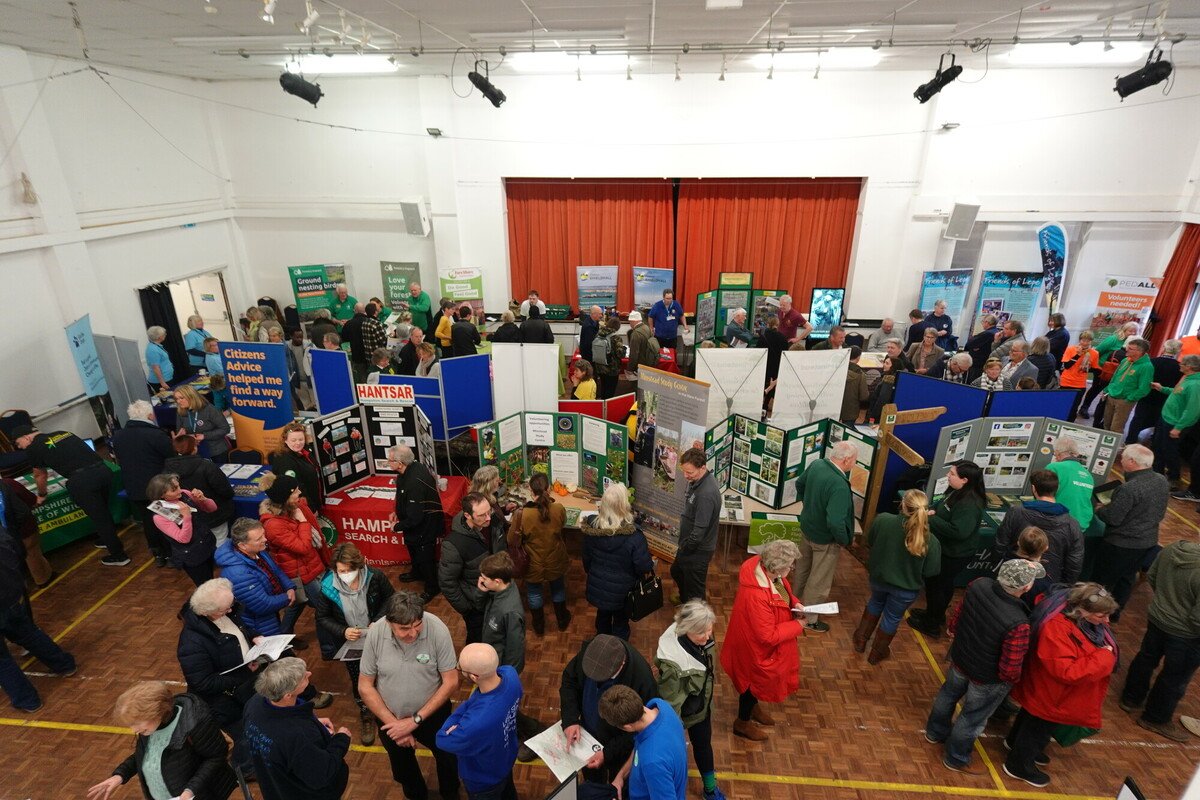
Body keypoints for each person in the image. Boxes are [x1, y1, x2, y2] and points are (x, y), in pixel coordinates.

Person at [924, 559, 1039, 774]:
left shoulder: (978, 584)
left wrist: (954, 631)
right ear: (1026, 587)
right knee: (972, 718)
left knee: (947, 695)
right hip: (986, 678)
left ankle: (934, 733)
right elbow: (1010, 668)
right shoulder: (1019, 622)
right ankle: (956, 758)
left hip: (961, 658)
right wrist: (1009, 683)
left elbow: (958, 614)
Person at [1004, 583, 1118, 788]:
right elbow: (1067, 671)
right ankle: (1018, 765)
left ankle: (1013, 743)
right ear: (1081, 611)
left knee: (1030, 720)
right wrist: (1105, 656)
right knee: (1037, 729)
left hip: (1046, 692)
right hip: (1052, 695)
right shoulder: (1056, 628)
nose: (1106, 622)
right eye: (1102, 616)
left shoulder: (1073, 621)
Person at [359, 592, 461, 800]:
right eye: (404, 628)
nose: (413, 633)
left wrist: (415, 721)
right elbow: (365, 686)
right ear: (389, 623)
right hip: (391, 720)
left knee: (448, 758)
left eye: (417, 624)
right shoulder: (376, 633)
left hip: (433, 716)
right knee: (403, 768)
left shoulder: (437, 629)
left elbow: (451, 681)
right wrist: (396, 725)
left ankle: (450, 794)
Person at [86, 681, 237, 800]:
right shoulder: (149, 727)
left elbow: (216, 757)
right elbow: (148, 755)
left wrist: (190, 790)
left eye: (137, 724)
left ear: (158, 712)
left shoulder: (195, 723)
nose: (134, 730)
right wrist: (120, 775)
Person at [720, 539, 805, 741]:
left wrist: (796, 604)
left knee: (755, 684)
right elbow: (767, 636)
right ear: (777, 567)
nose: (792, 568)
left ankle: (752, 709)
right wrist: (798, 626)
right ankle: (742, 722)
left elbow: (784, 594)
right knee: (752, 683)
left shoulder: (771, 575)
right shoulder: (757, 595)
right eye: (790, 564)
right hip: (755, 648)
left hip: (756, 642)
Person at [314, 542, 395, 745]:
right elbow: (322, 617)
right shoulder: (327, 587)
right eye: (341, 571)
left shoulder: (375, 576)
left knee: (386, 670)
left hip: (379, 636)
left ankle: (389, 704)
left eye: (350, 570)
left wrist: (377, 619)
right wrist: (343, 631)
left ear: (360, 566)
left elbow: (390, 598)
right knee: (358, 677)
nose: (346, 574)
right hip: (351, 644)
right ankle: (366, 712)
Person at [1119, 540, 1200, 741]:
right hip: (1186, 633)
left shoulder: (1173, 549)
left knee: (1146, 658)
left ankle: (1131, 698)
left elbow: (1151, 576)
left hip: (1158, 619)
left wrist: (1165, 604)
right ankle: (1155, 718)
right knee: (1175, 677)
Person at [13, 425, 128, 566]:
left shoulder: (33, 448)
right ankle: (106, 538)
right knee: (102, 510)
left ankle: (119, 555)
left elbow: (40, 475)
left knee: (100, 517)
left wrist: (42, 494)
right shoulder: (63, 433)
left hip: (84, 481)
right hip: (104, 471)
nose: (20, 447)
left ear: (26, 437)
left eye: (19, 443)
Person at [242, 657, 352, 800]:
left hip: (276, 786)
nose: (309, 674)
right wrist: (341, 739)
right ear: (288, 695)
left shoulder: (255, 703)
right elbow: (322, 774)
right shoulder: (296, 735)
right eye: (303, 677)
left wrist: (312, 721)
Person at [0, 512, 76, 712]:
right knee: (28, 633)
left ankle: (27, 700)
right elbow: (14, 547)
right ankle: (64, 665)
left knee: (2, 660)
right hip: (9, 593)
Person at [857, 489, 942, 664]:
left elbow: (870, 542)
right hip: (906, 590)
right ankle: (877, 653)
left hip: (879, 580)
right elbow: (931, 571)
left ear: (903, 504)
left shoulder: (883, 520)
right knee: (892, 618)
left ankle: (860, 640)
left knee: (874, 603)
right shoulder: (931, 540)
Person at [560, 634, 659, 784]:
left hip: (616, 746)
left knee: (616, 783)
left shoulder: (643, 680)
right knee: (592, 780)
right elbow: (569, 679)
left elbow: (639, 729)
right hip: (586, 738)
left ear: (621, 665)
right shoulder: (594, 654)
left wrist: (607, 753)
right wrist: (570, 719)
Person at [655, 601, 726, 800]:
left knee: (704, 745)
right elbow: (671, 707)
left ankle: (710, 789)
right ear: (687, 630)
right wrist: (675, 736)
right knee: (680, 753)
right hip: (687, 714)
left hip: (702, 708)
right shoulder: (674, 667)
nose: (708, 637)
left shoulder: (700, 638)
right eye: (701, 633)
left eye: (710, 631)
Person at [436, 643, 523, 800]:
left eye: (461, 668)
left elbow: (442, 738)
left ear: (474, 677)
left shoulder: (475, 722)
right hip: (506, 760)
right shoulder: (511, 675)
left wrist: (466, 706)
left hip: (483, 781)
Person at [1093, 444, 1168, 620]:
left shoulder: (1129, 488)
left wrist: (1101, 509)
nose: (1121, 460)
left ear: (1132, 462)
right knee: (1126, 579)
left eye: (1124, 458)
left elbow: (1113, 518)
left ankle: (1095, 613)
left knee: (1102, 582)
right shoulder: (1161, 480)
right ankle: (1114, 615)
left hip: (1120, 544)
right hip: (1146, 542)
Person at [793, 441, 856, 632]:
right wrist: (844, 540)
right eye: (854, 460)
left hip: (807, 529)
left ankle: (794, 607)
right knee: (818, 582)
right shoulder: (839, 485)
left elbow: (799, 484)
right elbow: (835, 522)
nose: (854, 464)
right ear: (846, 460)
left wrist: (809, 506)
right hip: (825, 540)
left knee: (802, 570)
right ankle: (810, 619)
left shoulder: (817, 465)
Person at [259, 473, 332, 638]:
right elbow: (303, 547)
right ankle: (328, 647)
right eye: (295, 491)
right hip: (300, 575)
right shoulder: (273, 525)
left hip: (308, 568)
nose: (299, 493)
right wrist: (304, 522)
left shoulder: (293, 509)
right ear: (286, 497)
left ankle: (283, 637)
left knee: (296, 604)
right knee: (324, 608)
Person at [582, 482, 655, 640]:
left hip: (599, 588)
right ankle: (620, 655)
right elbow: (643, 567)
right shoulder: (635, 537)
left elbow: (586, 560)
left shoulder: (591, 530)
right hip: (623, 593)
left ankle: (601, 646)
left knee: (602, 618)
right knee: (621, 623)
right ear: (624, 505)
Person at [112, 399, 176, 566]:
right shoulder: (156, 434)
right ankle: (171, 555)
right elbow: (171, 457)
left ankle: (158, 555)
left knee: (148, 521)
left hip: (135, 487)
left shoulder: (118, 436)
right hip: (158, 487)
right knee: (166, 519)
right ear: (150, 415)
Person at [993, 469, 1084, 587]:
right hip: (1049, 582)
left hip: (1014, 575)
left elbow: (1000, 543)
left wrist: (1000, 568)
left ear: (1034, 488)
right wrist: (1064, 588)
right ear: (1056, 489)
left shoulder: (1016, 512)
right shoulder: (1072, 524)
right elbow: (1075, 562)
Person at [599, 685, 688, 800]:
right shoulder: (660, 706)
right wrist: (621, 776)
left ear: (627, 727)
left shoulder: (653, 762)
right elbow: (639, 748)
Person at [440, 492, 507, 644]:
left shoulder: (493, 521)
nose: (488, 517)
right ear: (467, 515)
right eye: (482, 515)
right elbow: (447, 582)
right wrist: (467, 609)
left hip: (497, 595)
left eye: (489, 511)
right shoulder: (453, 544)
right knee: (478, 642)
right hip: (476, 606)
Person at [213, 518, 297, 638]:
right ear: (242, 545)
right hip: (259, 626)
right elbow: (262, 605)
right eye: (259, 539)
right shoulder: (238, 574)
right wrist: (287, 597)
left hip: (271, 615)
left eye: (263, 535)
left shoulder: (257, 550)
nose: (265, 539)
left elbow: (275, 569)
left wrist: (289, 586)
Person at [509, 473, 569, 635]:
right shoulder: (558, 509)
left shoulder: (522, 514)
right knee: (558, 588)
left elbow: (511, 539)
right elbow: (562, 525)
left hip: (532, 562)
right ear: (549, 489)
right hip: (555, 558)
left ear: (530, 490)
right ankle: (562, 620)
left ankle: (539, 626)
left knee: (534, 593)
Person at [385, 444, 444, 599]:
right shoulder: (407, 470)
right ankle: (417, 572)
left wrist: (396, 526)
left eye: (390, 460)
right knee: (413, 549)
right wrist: (395, 511)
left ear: (399, 463)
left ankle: (432, 587)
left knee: (425, 557)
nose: (387, 463)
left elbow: (415, 518)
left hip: (424, 527)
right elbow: (400, 495)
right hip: (413, 525)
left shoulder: (414, 482)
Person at [145, 473, 218, 586]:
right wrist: (187, 517)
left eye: (178, 486)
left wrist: (203, 499)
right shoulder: (159, 517)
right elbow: (183, 539)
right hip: (193, 556)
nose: (180, 490)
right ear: (161, 495)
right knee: (206, 586)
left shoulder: (185, 494)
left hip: (207, 545)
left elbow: (212, 508)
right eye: (174, 490)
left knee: (212, 579)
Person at [672, 448, 720, 604]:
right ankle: (685, 600)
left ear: (703, 468)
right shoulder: (699, 481)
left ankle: (698, 624)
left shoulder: (705, 495)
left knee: (696, 594)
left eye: (690, 473)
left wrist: (685, 547)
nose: (686, 476)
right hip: (689, 546)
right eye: (684, 471)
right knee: (677, 572)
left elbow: (699, 532)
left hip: (697, 551)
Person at [1148, 353, 1200, 485]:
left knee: (1169, 450)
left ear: (1190, 367)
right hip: (1166, 418)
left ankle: (1173, 477)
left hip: (1175, 423)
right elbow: (1178, 392)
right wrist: (1162, 388)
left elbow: (1192, 411)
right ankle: (1156, 472)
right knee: (1158, 446)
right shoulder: (1187, 378)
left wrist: (1178, 427)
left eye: (1182, 363)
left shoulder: (1195, 385)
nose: (1179, 365)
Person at [1079, 321, 1140, 419]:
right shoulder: (1113, 339)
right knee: (1096, 389)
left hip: (1118, 372)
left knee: (1108, 392)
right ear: (1124, 330)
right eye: (1130, 331)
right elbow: (1098, 351)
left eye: (1135, 332)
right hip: (1103, 369)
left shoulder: (1134, 344)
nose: (1132, 333)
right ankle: (1084, 407)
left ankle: (1099, 412)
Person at [1129, 339, 1183, 446]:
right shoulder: (1180, 367)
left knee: (1138, 420)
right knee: (1159, 423)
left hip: (1147, 396)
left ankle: (1130, 441)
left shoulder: (1151, 362)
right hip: (1165, 399)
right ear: (1177, 351)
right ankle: (1154, 444)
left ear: (1164, 348)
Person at [1103, 337, 1153, 434]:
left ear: (1139, 351)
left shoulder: (1146, 366)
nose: (1126, 349)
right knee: (1106, 424)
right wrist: (1107, 390)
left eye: (1130, 348)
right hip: (1111, 396)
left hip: (1124, 400)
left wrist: (1129, 398)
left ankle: (1113, 448)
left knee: (1116, 428)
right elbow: (1115, 376)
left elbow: (1144, 388)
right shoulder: (1125, 360)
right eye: (1127, 347)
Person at [271, 422, 322, 513]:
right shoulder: (285, 461)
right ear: (285, 440)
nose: (298, 443)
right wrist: (312, 509)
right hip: (304, 508)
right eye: (293, 440)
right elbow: (297, 489)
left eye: (301, 439)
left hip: (315, 499)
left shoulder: (304, 450)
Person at [1045, 438, 1095, 532]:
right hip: (1080, 526)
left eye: (1055, 454)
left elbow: (1043, 496)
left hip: (1057, 524)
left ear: (1058, 453)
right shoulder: (1088, 474)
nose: (1055, 457)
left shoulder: (1054, 467)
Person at [173, 385, 230, 463]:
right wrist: (181, 437)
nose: (178, 401)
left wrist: (204, 436)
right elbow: (180, 430)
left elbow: (225, 429)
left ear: (192, 397)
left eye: (181, 398)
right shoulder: (181, 411)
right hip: (195, 453)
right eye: (176, 399)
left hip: (215, 451)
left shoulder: (209, 409)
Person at [345, 303, 389, 383]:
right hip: (379, 356)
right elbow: (383, 340)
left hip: (368, 356)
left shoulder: (365, 322)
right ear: (375, 312)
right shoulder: (376, 323)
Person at [1060, 331, 1098, 420]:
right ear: (1080, 340)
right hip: (1066, 382)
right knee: (1062, 406)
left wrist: (1087, 367)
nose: (1085, 343)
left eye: (1088, 341)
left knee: (1073, 408)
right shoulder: (1070, 349)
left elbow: (1095, 369)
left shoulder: (1094, 353)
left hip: (1079, 384)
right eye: (1083, 340)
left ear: (1091, 341)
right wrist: (1077, 355)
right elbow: (1067, 366)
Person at [593, 316, 624, 399]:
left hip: (599, 365)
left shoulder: (599, 333)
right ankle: (608, 407)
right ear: (617, 326)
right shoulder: (616, 337)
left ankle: (602, 404)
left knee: (603, 386)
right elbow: (620, 354)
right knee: (610, 389)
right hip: (611, 368)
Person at [867, 355, 898, 423]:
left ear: (893, 367)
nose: (884, 365)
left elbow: (882, 401)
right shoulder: (885, 376)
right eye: (884, 362)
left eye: (887, 363)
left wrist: (872, 417)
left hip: (877, 417)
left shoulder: (889, 380)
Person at [145, 326, 175, 395]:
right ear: (159, 337)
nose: (165, 335)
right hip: (160, 382)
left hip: (167, 378)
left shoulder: (156, 346)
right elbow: (156, 368)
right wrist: (162, 383)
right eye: (164, 334)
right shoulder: (153, 349)